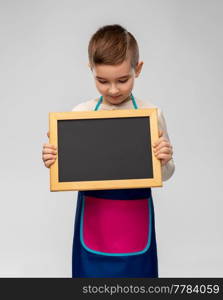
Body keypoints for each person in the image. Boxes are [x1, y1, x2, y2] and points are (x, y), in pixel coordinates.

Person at [42, 24, 175, 278]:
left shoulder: (152, 115)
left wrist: (165, 160)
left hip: (135, 217)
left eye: (123, 80)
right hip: (94, 218)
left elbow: (166, 174)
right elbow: (67, 169)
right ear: (91, 71)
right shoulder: (79, 115)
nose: (113, 90)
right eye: (102, 81)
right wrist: (54, 159)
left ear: (138, 69)